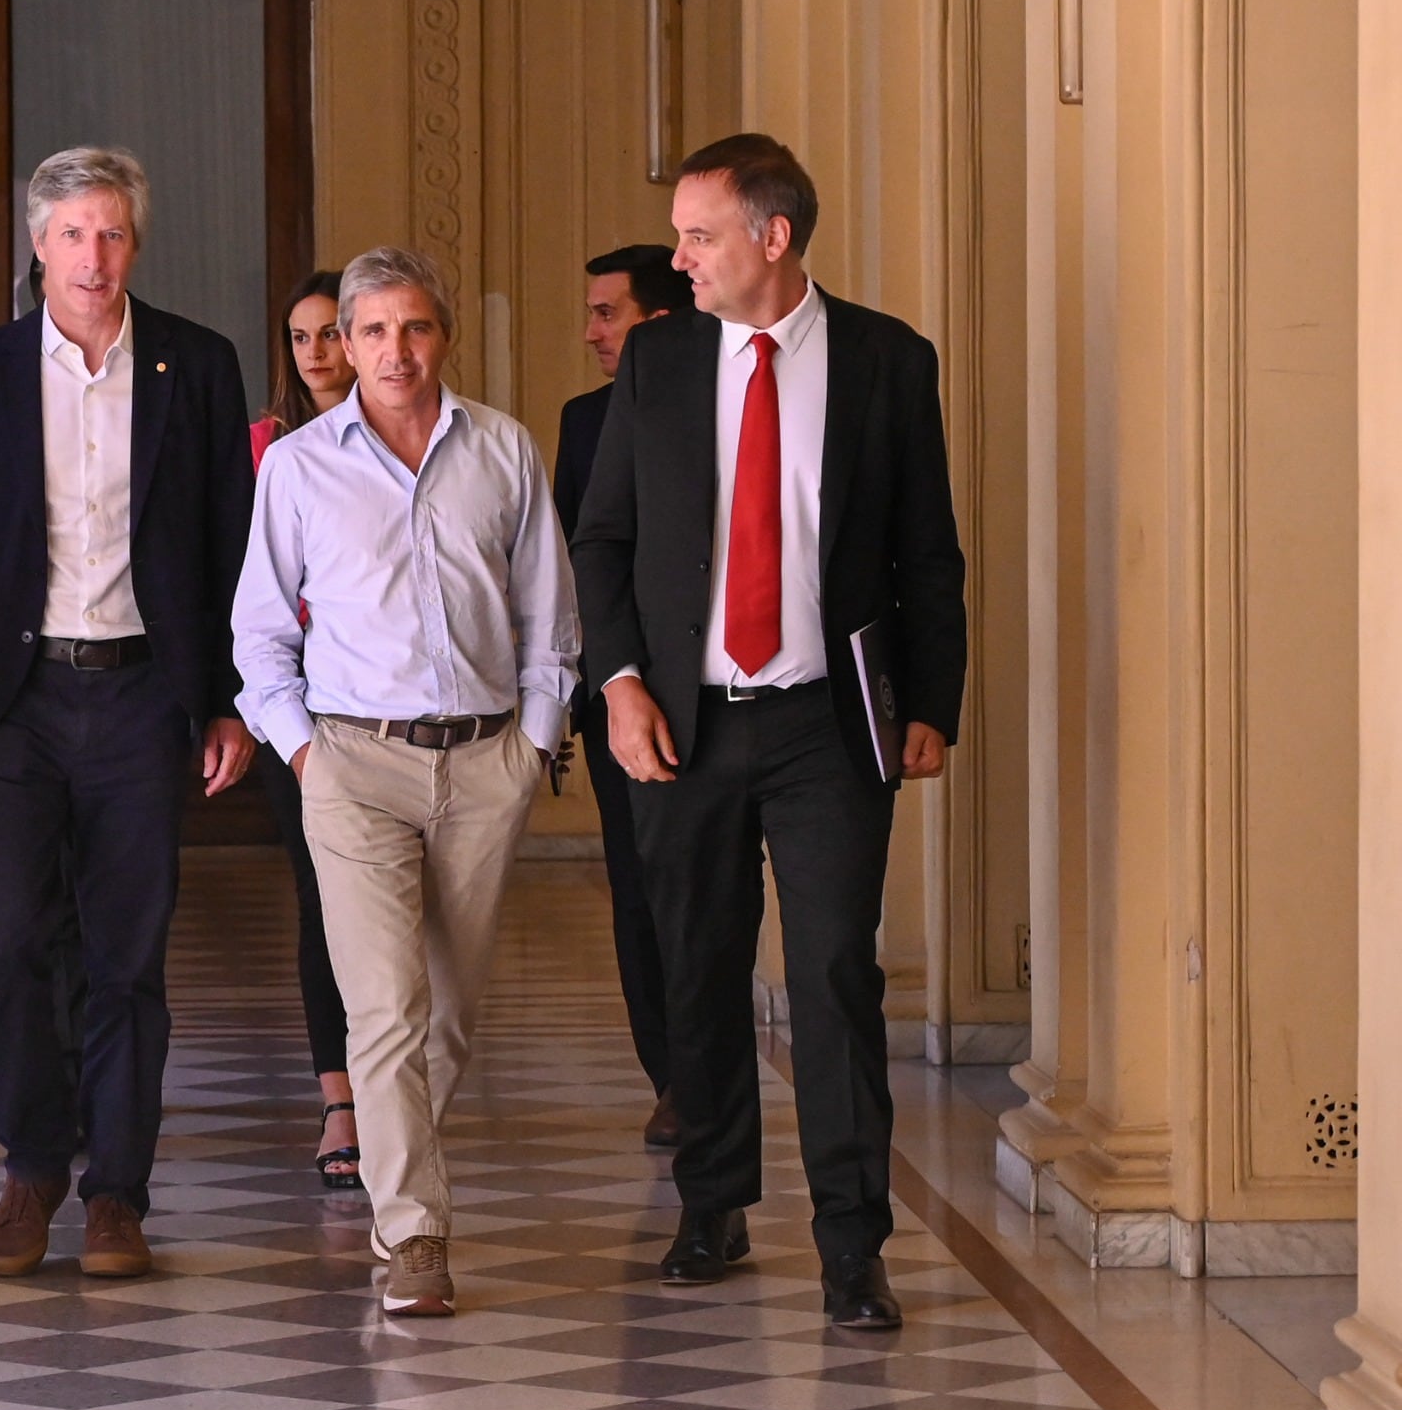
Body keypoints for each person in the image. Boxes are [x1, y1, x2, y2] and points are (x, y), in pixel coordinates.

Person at [570, 133, 966, 1331]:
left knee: (836, 974)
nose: (680, 257)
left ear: (772, 238)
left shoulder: (888, 361)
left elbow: (926, 554)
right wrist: (621, 680)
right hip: (684, 723)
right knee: (697, 964)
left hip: (824, 727)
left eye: (698, 234)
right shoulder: (659, 365)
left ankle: (853, 1242)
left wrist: (933, 705)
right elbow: (604, 542)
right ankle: (713, 1202)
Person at [0, 146, 255, 1282]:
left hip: (146, 693)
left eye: (109, 233)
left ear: (133, 243)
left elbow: (234, 545)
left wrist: (230, 698)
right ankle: (32, 1161)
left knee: (125, 953)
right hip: (12, 702)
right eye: (70, 234)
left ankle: (116, 1192)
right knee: (4, 939)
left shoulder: (195, 366)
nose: (92, 256)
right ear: (38, 248)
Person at [233, 245, 579, 1318]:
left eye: (413, 327)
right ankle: (415, 1230)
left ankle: (403, 1170)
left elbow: (549, 618)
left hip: (483, 761)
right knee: (382, 1006)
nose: (393, 349)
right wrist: (303, 753)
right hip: (353, 760)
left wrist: (531, 744)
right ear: (343, 341)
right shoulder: (297, 466)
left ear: (444, 337)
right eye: (370, 329)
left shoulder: (503, 450)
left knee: (448, 1015)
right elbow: (256, 632)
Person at [552, 244, 689, 1147]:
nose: (593, 331)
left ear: (659, 324)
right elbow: (574, 556)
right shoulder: (584, 418)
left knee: (701, 892)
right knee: (637, 890)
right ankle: (671, 1076)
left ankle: (708, 1070)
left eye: (609, 313)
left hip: (716, 690)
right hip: (616, 694)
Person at [249, 268, 362, 1188]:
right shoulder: (264, 447)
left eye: (331, 331)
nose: (317, 352)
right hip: (300, 708)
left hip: (396, 703)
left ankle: (400, 1084)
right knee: (322, 897)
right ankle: (340, 1096)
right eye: (301, 335)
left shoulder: (411, 432)